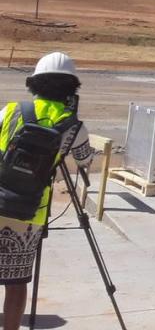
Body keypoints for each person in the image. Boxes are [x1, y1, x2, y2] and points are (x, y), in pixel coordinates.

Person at [0, 52, 93, 330]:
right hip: (29, 215)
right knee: (16, 284)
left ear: (34, 84)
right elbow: (85, 161)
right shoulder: (75, 127)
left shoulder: (11, 109)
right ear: (71, 89)